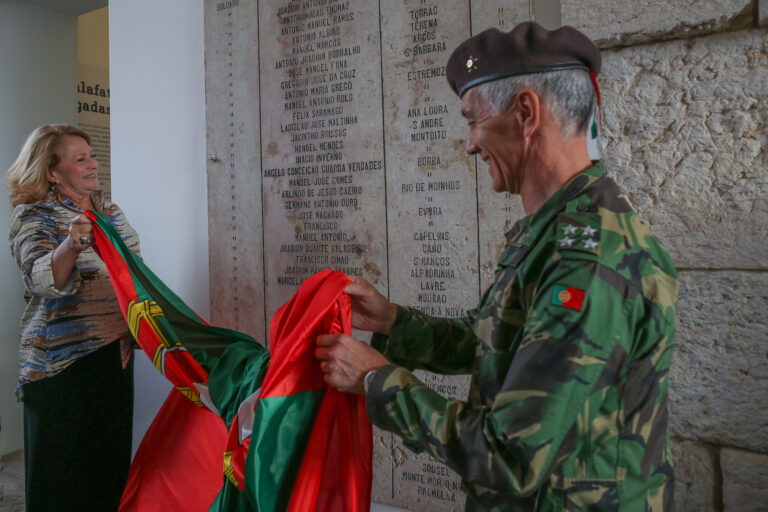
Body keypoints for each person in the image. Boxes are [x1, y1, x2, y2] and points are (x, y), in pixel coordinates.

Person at [316, 22, 678, 511]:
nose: (468, 144)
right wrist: (392, 322)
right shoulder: (556, 229)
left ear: (526, 113)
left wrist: (377, 381)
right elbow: (499, 344)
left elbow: (512, 455)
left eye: (472, 120)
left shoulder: (588, 259)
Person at [6, 124, 140, 511]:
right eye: (80, 159)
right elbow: (39, 278)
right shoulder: (35, 215)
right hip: (60, 366)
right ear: (52, 172)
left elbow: (135, 276)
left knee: (107, 473)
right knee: (61, 483)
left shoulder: (111, 213)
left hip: (114, 357)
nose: (92, 164)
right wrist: (71, 242)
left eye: (92, 155)